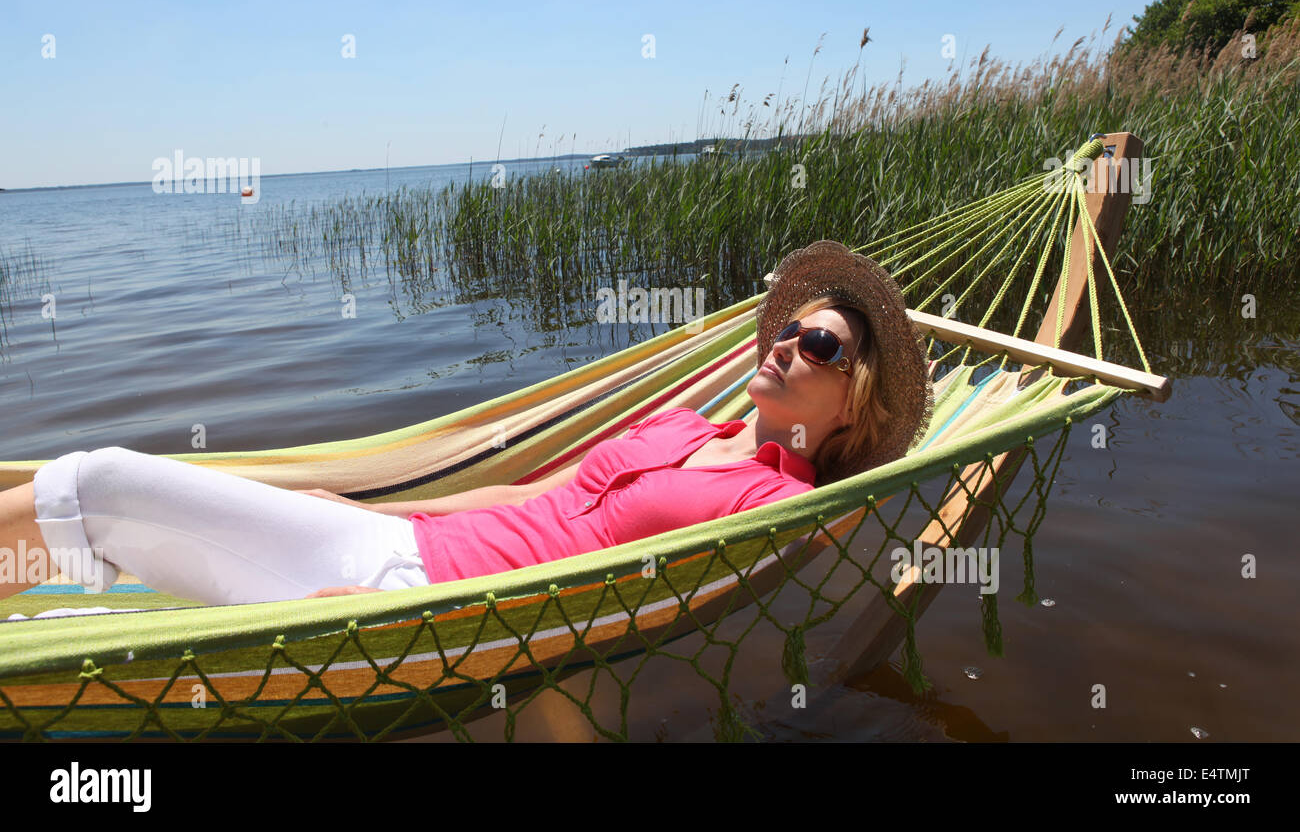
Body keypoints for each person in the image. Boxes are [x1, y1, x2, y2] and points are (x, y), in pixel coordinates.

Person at [0, 241, 933, 606]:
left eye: (824, 348)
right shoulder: (684, 421)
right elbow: (536, 493)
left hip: (422, 595)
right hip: (405, 545)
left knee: (98, 483)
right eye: (789, 331)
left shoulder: (783, 497)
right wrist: (389, 514)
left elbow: (840, 521)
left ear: (859, 404)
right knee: (85, 498)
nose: (787, 345)